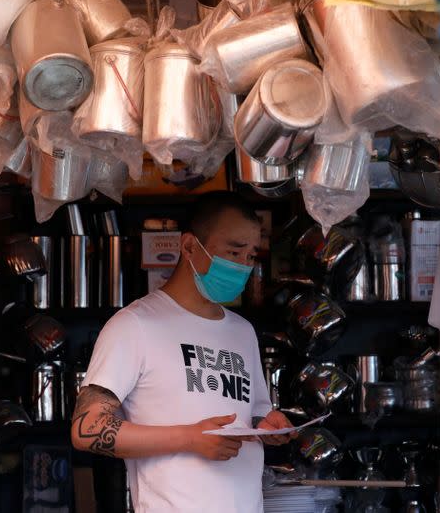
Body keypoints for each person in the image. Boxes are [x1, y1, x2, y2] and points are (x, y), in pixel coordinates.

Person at [71, 191, 296, 512]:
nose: (244, 266)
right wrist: (190, 438)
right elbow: (86, 429)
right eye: (234, 251)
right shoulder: (135, 324)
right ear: (189, 246)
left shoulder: (242, 332)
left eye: (251, 256)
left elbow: (256, 415)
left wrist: (268, 426)